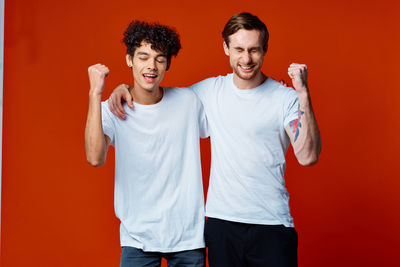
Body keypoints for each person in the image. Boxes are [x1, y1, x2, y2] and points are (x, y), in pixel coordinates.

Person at [108, 12, 321, 267]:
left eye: (254, 50)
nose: (246, 58)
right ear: (226, 48)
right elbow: (157, 96)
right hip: (222, 225)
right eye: (239, 49)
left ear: (264, 49)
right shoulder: (208, 93)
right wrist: (125, 87)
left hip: (272, 223)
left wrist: (303, 94)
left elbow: (307, 156)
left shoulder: (285, 97)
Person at [84, 21, 208, 267]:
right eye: (143, 57)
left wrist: (272, 93)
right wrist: (95, 93)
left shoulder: (189, 101)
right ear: (129, 59)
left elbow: (234, 101)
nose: (151, 66)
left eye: (160, 59)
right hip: (137, 238)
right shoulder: (112, 109)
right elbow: (94, 157)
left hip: (188, 238)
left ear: (167, 64)